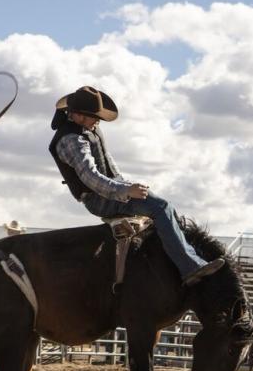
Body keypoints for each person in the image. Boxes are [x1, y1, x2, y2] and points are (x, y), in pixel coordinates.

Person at [49, 86, 224, 286]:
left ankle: (186, 258)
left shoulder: (86, 129)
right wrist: (125, 190)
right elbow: (91, 177)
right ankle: (190, 267)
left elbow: (108, 163)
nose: (98, 121)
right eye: (93, 116)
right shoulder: (71, 139)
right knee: (161, 207)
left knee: (168, 209)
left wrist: (125, 184)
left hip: (109, 190)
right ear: (79, 116)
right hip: (98, 198)